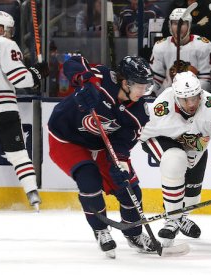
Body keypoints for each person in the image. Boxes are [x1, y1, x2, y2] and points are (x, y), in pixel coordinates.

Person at [47, 55, 156, 258]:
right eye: (141, 86)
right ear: (126, 83)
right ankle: (101, 230)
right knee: (89, 180)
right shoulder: (102, 79)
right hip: (66, 137)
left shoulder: (139, 112)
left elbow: (122, 143)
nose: (144, 91)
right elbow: (73, 60)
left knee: (130, 188)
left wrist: (119, 163)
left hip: (101, 146)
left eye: (146, 86)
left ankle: (134, 234)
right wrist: (83, 81)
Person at [139, 71, 211, 246]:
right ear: (175, 96)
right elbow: (138, 131)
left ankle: (179, 217)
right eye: (185, 100)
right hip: (159, 139)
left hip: (195, 148)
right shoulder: (161, 108)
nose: (191, 103)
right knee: (175, 159)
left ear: (200, 93)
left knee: (192, 198)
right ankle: (173, 220)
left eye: (195, 97)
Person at [0, 11, 47, 211]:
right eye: (8, 29)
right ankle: (33, 195)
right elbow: (21, 79)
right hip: (3, 107)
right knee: (18, 154)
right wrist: (37, 73)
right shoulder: (6, 45)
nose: (11, 34)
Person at [150, 8, 211, 96]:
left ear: (189, 26)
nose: (178, 27)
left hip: (194, 97)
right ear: (170, 25)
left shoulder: (204, 45)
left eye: (182, 23)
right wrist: (150, 94)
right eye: (175, 23)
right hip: (168, 95)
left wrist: (189, 93)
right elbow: (156, 80)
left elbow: (206, 81)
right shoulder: (160, 46)